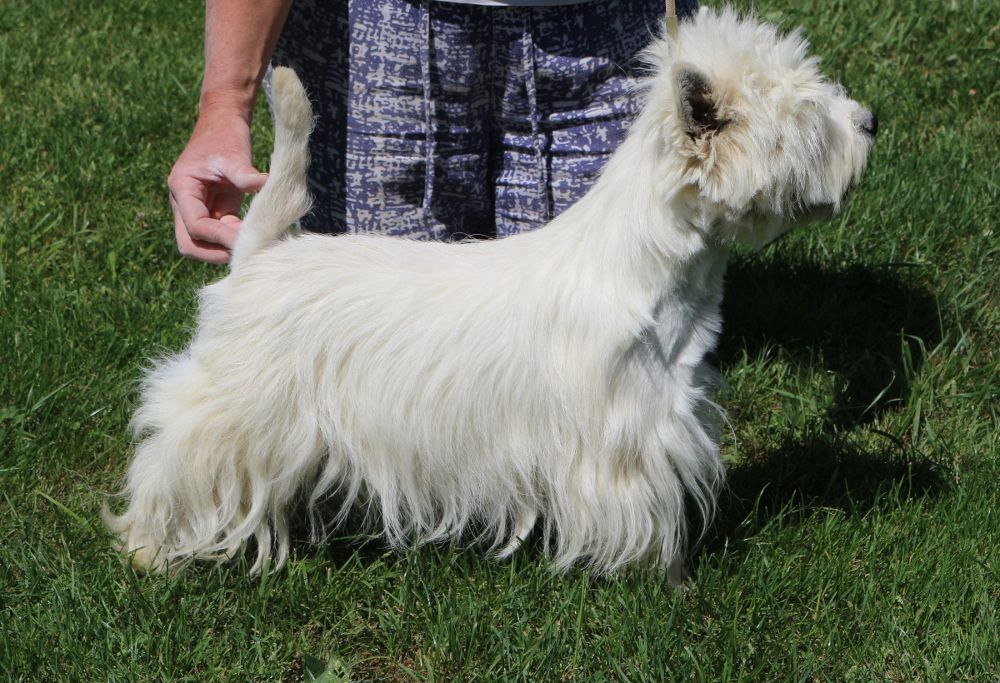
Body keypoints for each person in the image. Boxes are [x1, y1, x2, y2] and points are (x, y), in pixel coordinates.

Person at [168, 0, 697, 264]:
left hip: (612, 27)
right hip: (377, 20)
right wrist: (224, 104)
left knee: (603, 344)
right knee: (369, 345)